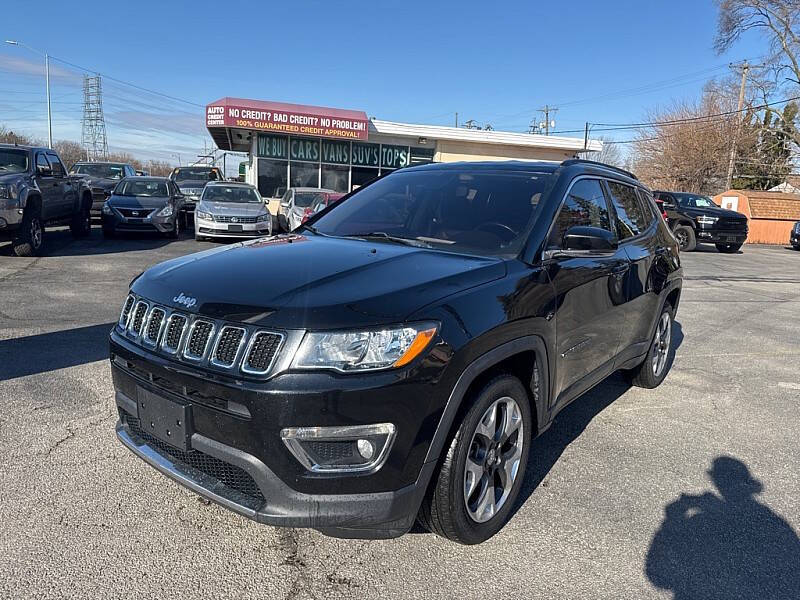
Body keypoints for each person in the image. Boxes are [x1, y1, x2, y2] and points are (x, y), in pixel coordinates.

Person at [646, 456, 799, 599]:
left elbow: (658, 573)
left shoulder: (700, 525)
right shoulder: (773, 522)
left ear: (717, 482)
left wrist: (673, 519)